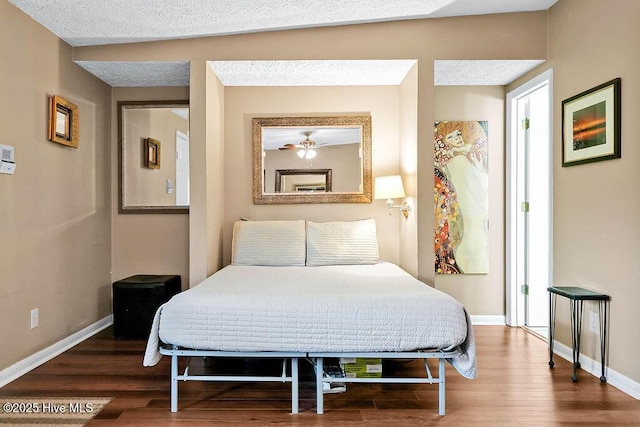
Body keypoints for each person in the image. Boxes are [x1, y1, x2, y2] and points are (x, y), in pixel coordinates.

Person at [434, 121, 489, 274]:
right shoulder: (460, 161)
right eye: (450, 136)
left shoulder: (458, 160)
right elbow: (481, 191)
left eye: (458, 134)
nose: (457, 138)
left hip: (468, 214)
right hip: (473, 213)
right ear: (444, 142)